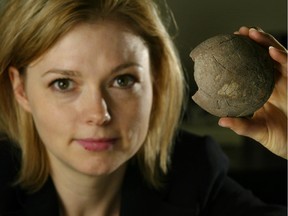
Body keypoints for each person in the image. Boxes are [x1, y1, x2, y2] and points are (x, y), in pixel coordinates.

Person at [0, 0, 286, 215]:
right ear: (21, 89)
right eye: (63, 84)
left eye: (123, 80)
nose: (99, 115)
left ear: (156, 81)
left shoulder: (194, 175)